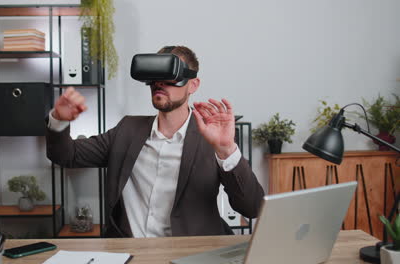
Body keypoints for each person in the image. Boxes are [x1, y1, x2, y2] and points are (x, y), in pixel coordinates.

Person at [46, 45, 264, 238]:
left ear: (193, 85)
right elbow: (66, 155)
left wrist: (226, 149)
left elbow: (252, 208)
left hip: (191, 251)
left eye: (170, 77)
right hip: (133, 252)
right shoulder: (127, 130)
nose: (160, 84)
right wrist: (59, 120)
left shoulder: (211, 138)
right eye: (155, 77)